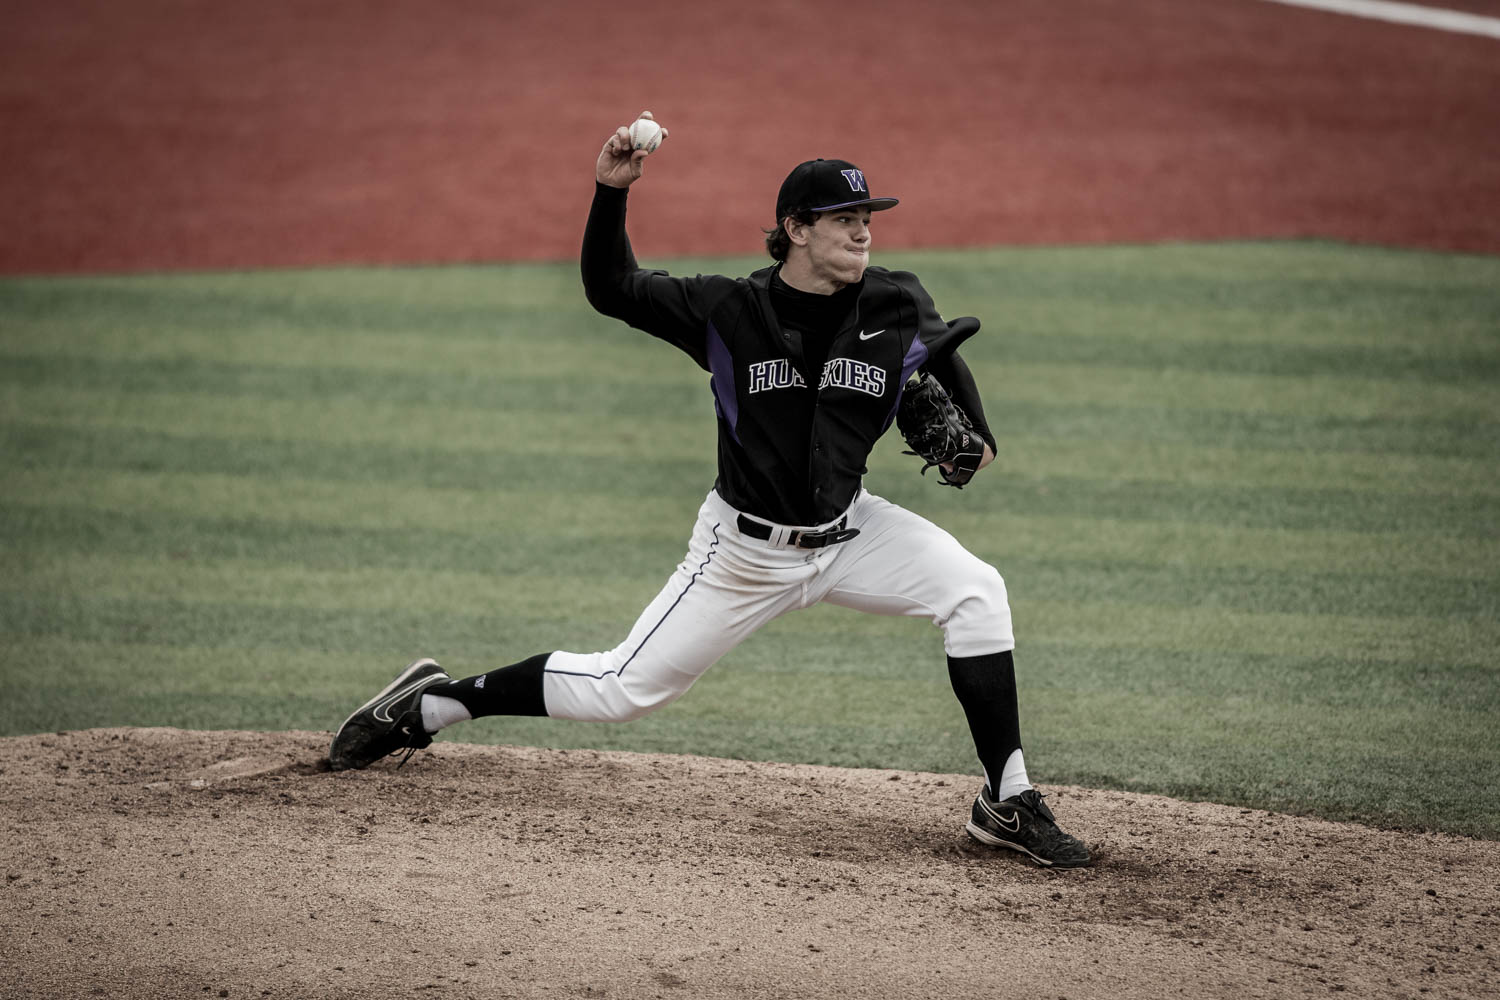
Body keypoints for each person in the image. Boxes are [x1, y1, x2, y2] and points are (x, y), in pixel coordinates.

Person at [329, 111, 1090, 868]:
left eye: (868, 219)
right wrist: (610, 192)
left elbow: (942, 345)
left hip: (853, 534)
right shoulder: (729, 311)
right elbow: (611, 287)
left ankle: (1007, 801)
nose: (864, 233)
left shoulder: (892, 301)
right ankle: (430, 705)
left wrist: (978, 437)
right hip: (742, 555)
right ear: (795, 228)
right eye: (844, 220)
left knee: (976, 591)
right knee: (620, 691)